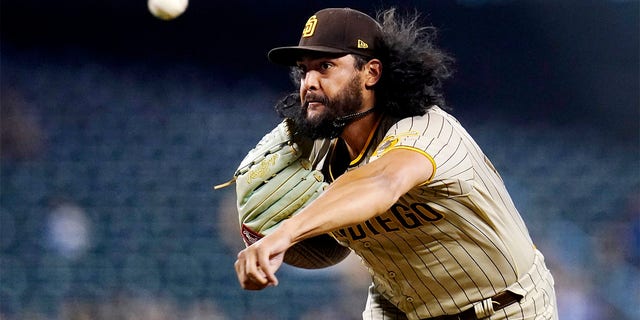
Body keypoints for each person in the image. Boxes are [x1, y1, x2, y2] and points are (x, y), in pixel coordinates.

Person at [234, 7, 558, 320]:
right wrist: (259, 231)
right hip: (397, 309)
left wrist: (286, 232)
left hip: (505, 309)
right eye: (304, 70)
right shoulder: (314, 146)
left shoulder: (428, 129)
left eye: (325, 66)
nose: (309, 82)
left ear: (371, 72)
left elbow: (382, 181)